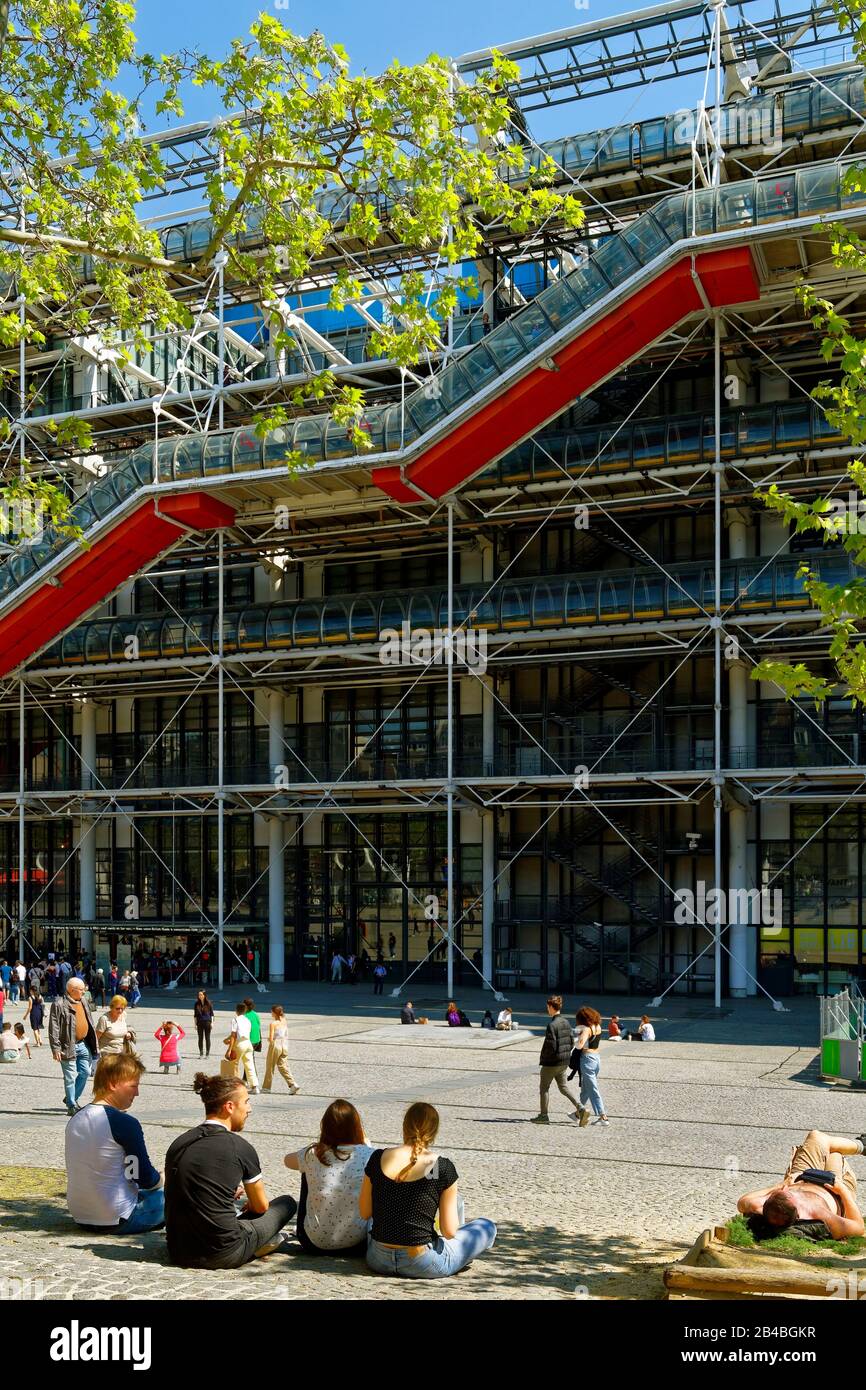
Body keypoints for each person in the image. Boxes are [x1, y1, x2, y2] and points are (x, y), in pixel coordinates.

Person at [165, 1073, 297, 1268]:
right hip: (224, 1252)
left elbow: (179, 1189)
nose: (249, 1109)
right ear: (229, 1106)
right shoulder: (239, 1147)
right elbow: (261, 1206)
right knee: (286, 1203)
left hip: (178, 1250)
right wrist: (250, 1204)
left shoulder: (179, 1143)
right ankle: (262, 1243)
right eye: (246, 1102)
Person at [362, 1101, 497, 1279]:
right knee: (486, 1226)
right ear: (434, 1131)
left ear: (404, 1127)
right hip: (420, 1261)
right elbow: (449, 1232)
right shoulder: (440, 1167)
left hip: (378, 1258)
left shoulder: (377, 1157)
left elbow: (365, 1213)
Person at [65, 1052, 164, 1235]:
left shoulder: (75, 1119)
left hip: (81, 1214)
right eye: (133, 1086)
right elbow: (143, 1177)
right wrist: (163, 1179)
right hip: (119, 1217)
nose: (137, 1093)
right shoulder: (124, 1123)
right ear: (113, 1084)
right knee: (177, 1193)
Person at [737, 1130, 866, 1240]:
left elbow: (742, 1202)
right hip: (833, 1186)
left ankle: (862, 1144)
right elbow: (858, 1227)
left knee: (815, 1136)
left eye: (781, 1191)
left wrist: (779, 1185)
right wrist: (843, 1191)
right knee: (835, 1153)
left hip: (803, 1175)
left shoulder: (762, 1205)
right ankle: (862, 1146)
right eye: (787, 1192)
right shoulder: (818, 1215)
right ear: (797, 1209)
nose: (785, 1188)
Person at [284, 1100, 373, 1256]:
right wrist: (366, 1145)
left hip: (313, 1243)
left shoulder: (314, 1153)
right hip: (358, 1243)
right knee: (372, 1176)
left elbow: (287, 1160)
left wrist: (313, 1151)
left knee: (306, 1169)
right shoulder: (369, 1155)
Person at [49, 976, 98, 1116]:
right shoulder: (59, 1004)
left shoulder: (83, 1000)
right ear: (71, 990)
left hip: (83, 1044)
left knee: (85, 1072)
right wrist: (55, 1048)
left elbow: (90, 1020)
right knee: (70, 1077)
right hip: (67, 1046)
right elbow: (54, 1028)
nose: (84, 992)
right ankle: (71, 1105)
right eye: (81, 989)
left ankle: (71, 1098)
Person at [530, 995, 581, 1125]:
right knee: (564, 1087)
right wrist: (565, 1054)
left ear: (552, 1007)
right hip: (564, 1062)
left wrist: (545, 1059)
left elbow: (550, 1046)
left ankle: (543, 1115)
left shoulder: (552, 1025)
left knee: (544, 1089)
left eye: (548, 1007)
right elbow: (571, 1042)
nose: (547, 1009)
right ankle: (580, 1107)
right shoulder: (566, 1022)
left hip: (551, 1063)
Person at [572, 1005, 609, 1127]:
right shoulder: (597, 1027)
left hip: (587, 1059)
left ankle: (603, 1117)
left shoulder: (587, 1029)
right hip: (596, 1058)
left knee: (592, 1088)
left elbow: (580, 1045)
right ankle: (578, 1113)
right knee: (586, 1088)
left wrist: (574, 1039)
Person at [262, 1005, 300, 1095]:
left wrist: (269, 1040)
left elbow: (271, 1038)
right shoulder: (284, 1020)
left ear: (274, 1012)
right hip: (284, 1044)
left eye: (271, 1011)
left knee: (270, 1067)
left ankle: (266, 1088)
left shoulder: (273, 1024)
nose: (270, 1013)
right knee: (282, 1066)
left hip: (276, 1045)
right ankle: (293, 1084)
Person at [228, 1003, 259, 1093]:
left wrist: (229, 1049)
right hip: (248, 1043)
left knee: (234, 1064)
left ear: (236, 1010)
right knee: (250, 1065)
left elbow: (234, 1035)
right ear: (245, 1011)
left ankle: (234, 1086)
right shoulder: (247, 1020)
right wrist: (228, 1039)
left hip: (240, 1043)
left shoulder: (235, 1020)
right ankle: (255, 1086)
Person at [193, 991, 214, 1058]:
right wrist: (195, 1024)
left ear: (204, 995)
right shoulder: (196, 1004)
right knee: (200, 1038)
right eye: (199, 995)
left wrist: (212, 1023)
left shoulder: (209, 1003)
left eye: (201, 994)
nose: (200, 996)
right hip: (199, 1023)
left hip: (207, 1022)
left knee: (207, 1038)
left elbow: (212, 1014)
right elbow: (195, 1015)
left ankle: (207, 1054)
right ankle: (201, 1053)